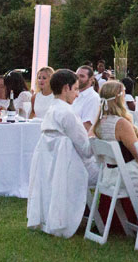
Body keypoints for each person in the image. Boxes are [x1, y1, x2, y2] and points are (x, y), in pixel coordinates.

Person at [27, 68, 98, 238]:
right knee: (112, 172)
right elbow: (87, 151)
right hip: (72, 167)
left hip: (53, 166)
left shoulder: (52, 110)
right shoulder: (68, 113)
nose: (77, 94)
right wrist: (97, 129)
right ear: (66, 88)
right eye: (75, 89)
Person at [91, 80, 138, 189]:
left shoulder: (98, 122)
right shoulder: (120, 124)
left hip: (108, 175)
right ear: (118, 99)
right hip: (127, 176)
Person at [71, 65, 100, 131]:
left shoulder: (93, 98)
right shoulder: (74, 95)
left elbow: (86, 127)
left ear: (91, 79)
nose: (78, 78)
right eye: (76, 75)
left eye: (82, 76)